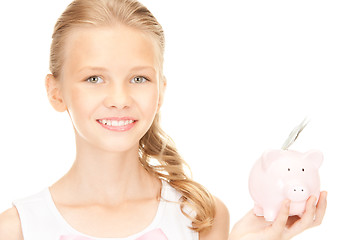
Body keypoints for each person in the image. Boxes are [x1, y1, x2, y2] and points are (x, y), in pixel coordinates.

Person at [0, 0, 327, 239]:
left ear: (161, 90)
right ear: (55, 92)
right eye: (94, 79)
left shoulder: (202, 218)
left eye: (139, 79)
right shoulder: (17, 228)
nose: (119, 100)